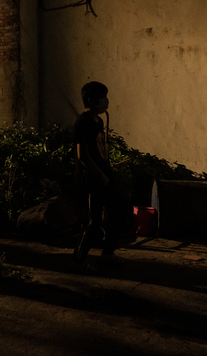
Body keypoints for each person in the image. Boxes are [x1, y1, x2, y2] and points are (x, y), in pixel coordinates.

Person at [73, 81, 129, 271]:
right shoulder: (83, 122)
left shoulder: (99, 121)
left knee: (120, 210)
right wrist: (100, 174)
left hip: (104, 173)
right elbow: (82, 155)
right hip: (92, 177)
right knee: (93, 220)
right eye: (102, 97)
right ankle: (78, 261)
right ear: (91, 100)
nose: (106, 101)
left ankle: (108, 254)